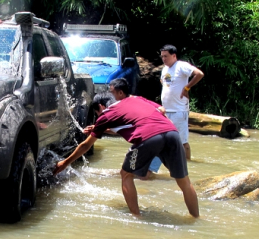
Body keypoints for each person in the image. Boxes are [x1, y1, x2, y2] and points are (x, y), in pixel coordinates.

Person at [54, 78, 199, 218]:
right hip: (172, 132)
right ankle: (196, 218)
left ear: (101, 107)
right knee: (184, 181)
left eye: (97, 113)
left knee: (126, 174)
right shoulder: (136, 99)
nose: (98, 117)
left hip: (148, 137)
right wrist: (103, 129)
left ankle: (136, 218)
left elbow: (86, 145)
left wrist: (64, 163)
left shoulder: (106, 115)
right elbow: (159, 110)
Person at [148, 44, 204, 173]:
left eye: (166, 56)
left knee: (182, 141)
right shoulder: (165, 69)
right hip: (166, 111)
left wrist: (187, 88)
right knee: (162, 139)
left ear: (174, 56)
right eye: (162, 56)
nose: (164, 59)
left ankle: (188, 166)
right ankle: (159, 167)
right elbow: (164, 83)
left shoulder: (181, 66)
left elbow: (199, 74)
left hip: (179, 111)